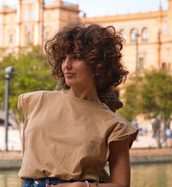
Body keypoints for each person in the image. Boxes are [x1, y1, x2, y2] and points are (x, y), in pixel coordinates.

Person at [18, 22, 138, 187]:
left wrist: (84, 186)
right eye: (63, 58)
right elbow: (27, 168)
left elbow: (122, 185)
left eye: (76, 57)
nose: (66, 65)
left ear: (98, 63)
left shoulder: (114, 125)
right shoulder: (36, 102)